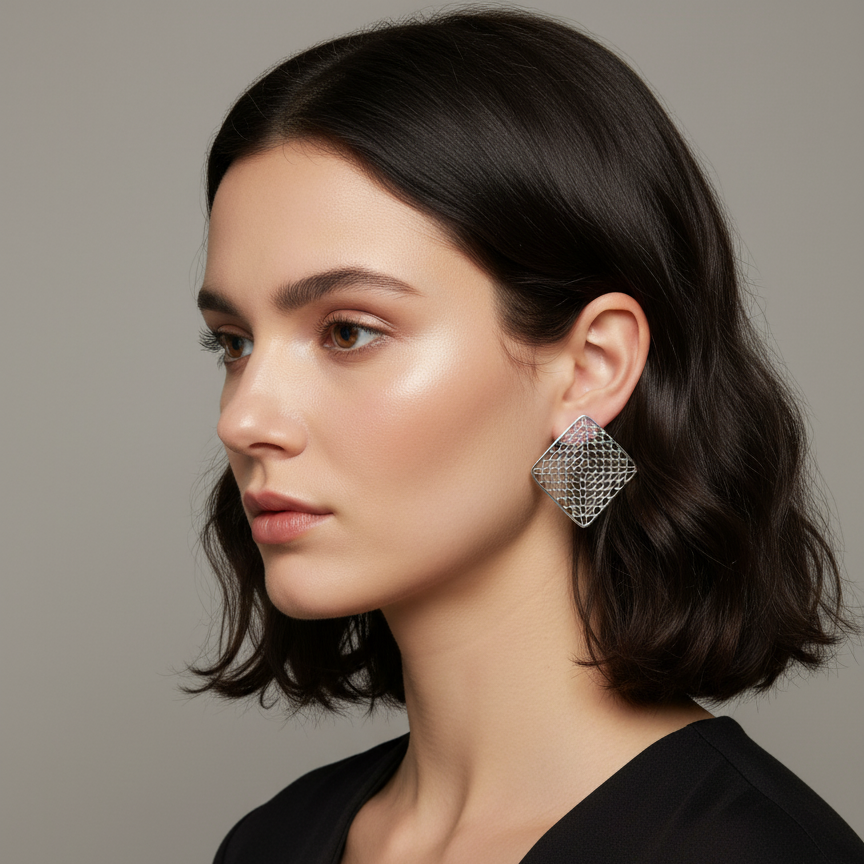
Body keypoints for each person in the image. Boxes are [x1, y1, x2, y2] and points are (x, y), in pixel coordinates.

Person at [187, 8, 864, 863]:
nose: (242, 417)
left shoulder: (751, 852)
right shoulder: (271, 844)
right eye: (233, 343)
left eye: (348, 331)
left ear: (589, 368)